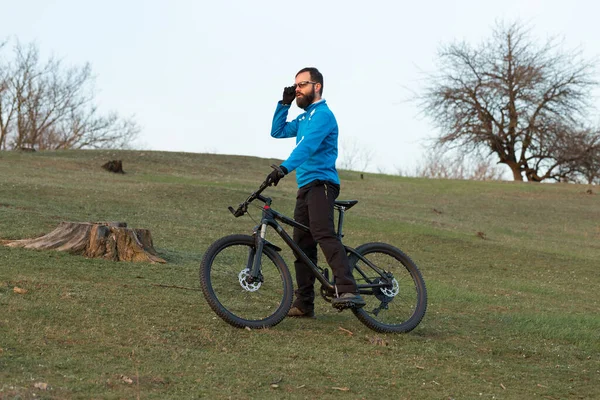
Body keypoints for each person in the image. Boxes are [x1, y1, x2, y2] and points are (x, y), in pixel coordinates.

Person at [265, 67, 366, 318]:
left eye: (302, 84)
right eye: (295, 85)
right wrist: (284, 103)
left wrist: (284, 168)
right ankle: (304, 303)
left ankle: (347, 287)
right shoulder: (304, 118)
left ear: (317, 86)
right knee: (301, 244)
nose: (297, 88)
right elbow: (277, 131)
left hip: (322, 183)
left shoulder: (323, 116)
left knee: (322, 233)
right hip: (306, 186)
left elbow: (308, 146)